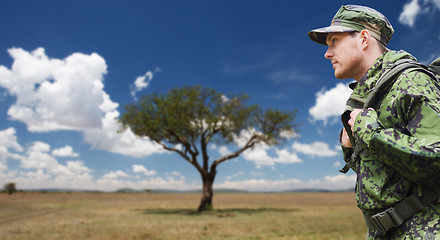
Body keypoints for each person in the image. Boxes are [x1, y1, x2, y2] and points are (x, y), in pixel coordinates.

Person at [308, 5, 440, 240]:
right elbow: (390, 175)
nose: (327, 53)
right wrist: (351, 149)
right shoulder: (369, 95)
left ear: (364, 38)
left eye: (334, 41)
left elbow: (436, 158)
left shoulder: (411, 82)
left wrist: (368, 132)